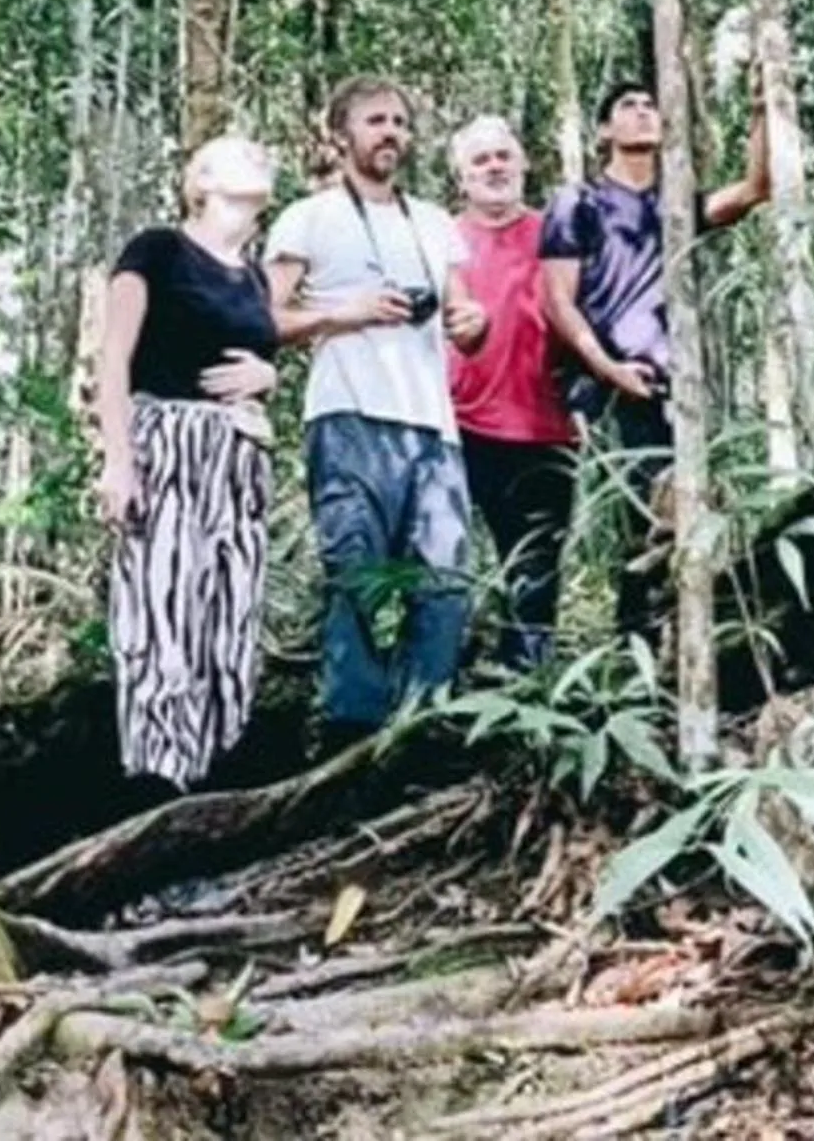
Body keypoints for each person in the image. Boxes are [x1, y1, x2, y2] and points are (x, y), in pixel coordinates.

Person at [265, 78, 488, 741]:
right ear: (340, 136)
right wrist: (345, 312)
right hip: (346, 419)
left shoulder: (434, 223)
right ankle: (349, 731)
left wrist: (472, 322)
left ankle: (423, 721)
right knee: (355, 575)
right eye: (373, 121)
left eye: (398, 121)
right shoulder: (308, 216)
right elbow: (261, 318)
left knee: (444, 581)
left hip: (432, 430)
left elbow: (464, 319)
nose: (389, 132)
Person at [540, 81, 770, 638]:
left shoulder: (676, 204)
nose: (642, 113)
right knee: (620, 522)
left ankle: (662, 649)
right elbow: (555, 300)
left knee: (671, 519)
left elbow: (756, 188)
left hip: (669, 385)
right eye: (627, 107)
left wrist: (763, 105)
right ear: (603, 131)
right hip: (606, 386)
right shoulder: (579, 203)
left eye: (650, 106)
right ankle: (611, 655)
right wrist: (605, 368)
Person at [92, 135, 284, 792]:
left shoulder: (255, 274)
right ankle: (154, 776)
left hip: (237, 453)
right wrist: (119, 460)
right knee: (162, 606)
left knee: (229, 612)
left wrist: (269, 375)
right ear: (198, 180)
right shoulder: (157, 250)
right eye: (237, 153)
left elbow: (262, 353)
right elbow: (113, 355)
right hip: (165, 441)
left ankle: (215, 771)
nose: (258, 155)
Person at [444, 115, 578, 669]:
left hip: (544, 428)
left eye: (503, 156)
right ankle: (443, 682)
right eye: (480, 160)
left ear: (523, 165)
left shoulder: (559, 236)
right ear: (461, 178)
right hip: (457, 427)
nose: (494, 167)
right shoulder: (440, 239)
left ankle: (527, 684)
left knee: (536, 567)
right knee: (444, 564)